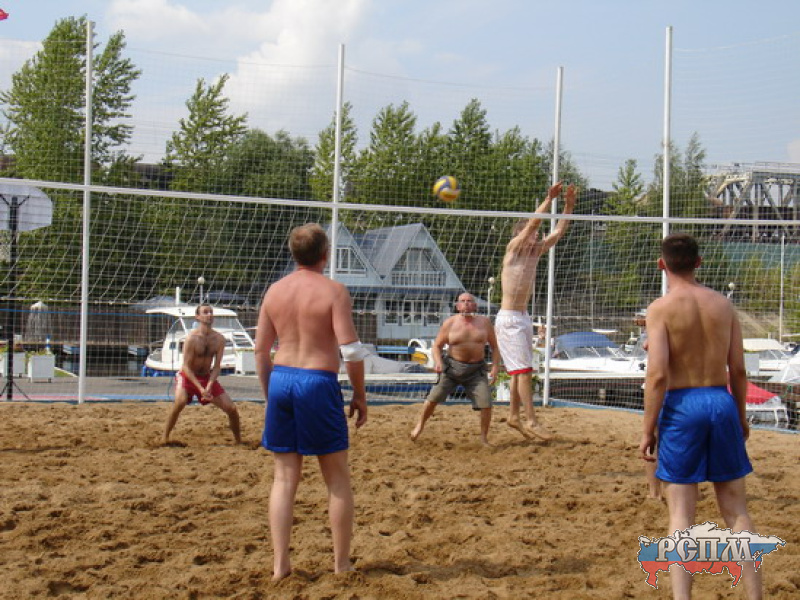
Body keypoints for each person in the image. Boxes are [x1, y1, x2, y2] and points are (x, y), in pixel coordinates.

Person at [639, 233, 760, 599]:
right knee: (736, 510)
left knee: (681, 515)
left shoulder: (661, 308)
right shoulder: (723, 305)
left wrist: (647, 430)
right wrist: (740, 416)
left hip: (682, 404)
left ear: (661, 264)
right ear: (699, 262)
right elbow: (738, 370)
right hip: (720, 400)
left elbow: (657, 375)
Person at [255, 223, 368, 581]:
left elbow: (261, 350)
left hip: (282, 378)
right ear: (325, 254)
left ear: (294, 254)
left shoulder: (275, 291)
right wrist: (360, 394)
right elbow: (351, 351)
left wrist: (269, 393)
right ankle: (341, 564)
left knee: (284, 478)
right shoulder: (334, 291)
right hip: (317, 381)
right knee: (336, 477)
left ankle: (280, 566)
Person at [495, 182, 577, 440]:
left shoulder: (535, 251)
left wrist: (569, 206)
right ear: (521, 234)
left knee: (519, 370)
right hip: (509, 318)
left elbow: (559, 231)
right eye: (533, 233)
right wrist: (548, 199)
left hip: (522, 317)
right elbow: (533, 223)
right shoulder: (514, 248)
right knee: (524, 371)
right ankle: (531, 419)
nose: (538, 235)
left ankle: (514, 416)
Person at [410, 293, 500, 446]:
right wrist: (438, 362)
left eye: (469, 301)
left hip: (476, 370)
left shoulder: (484, 323)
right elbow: (437, 346)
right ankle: (420, 426)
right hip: (452, 367)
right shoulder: (450, 323)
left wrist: (496, 366)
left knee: (486, 403)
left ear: (475, 305)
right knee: (432, 399)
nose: (466, 304)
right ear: (458, 306)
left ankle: (484, 438)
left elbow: (495, 347)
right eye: (463, 301)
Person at [163, 303, 241, 445]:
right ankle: (165, 438)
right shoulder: (191, 338)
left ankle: (239, 441)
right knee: (180, 402)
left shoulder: (219, 339)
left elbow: (216, 367)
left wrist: (209, 385)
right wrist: (200, 388)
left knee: (231, 408)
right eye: (205, 312)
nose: (209, 315)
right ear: (197, 317)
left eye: (211, 312)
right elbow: (186, 367)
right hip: (188, 376)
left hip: (206, 377)